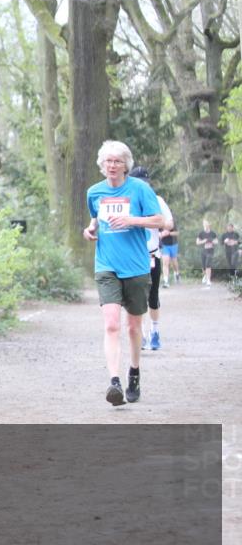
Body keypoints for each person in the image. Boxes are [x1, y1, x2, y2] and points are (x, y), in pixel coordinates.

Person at [83, 141, 164, 406]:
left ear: (126, 164)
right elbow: (95, 220)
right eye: (108, 161)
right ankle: (114, 381)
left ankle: (134, 372)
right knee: (111, 324)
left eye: (117, 161)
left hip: (137, 266)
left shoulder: (140, 189)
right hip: (106, 265)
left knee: (133, 326)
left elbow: (158, 220)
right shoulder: (94, 192)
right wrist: (90, 230)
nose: (112, 165)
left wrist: (132, 220)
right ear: (102, 164)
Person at [127, 166, 173, 351]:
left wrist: (160, 227)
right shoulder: (127, 201)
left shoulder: (157, 200)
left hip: (153, 254)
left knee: (153, 297)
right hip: (133, 256)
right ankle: (142, 335)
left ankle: (154, 331)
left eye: (145, 183)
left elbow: (168, 221)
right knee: (138, 298)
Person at [196, 220, 218, 287]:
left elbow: (216, 241)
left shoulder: (213, 233)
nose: (205, 225)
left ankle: (208, 280)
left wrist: (212, 241)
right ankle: (205, 276)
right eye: (204, 224)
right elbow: (197, 242)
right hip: (203, 250)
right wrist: (204, 241)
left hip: (210, 250)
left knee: (208, 264)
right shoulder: (201, 233)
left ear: (209, 225)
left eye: (206, 224)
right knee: (203, 266)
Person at [160, 221, 180, 287]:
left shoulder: (172, 221)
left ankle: (177, 273)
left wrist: (169, 233)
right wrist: (161, 234)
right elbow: (157, 233)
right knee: (165, 262)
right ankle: (166, 281)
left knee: (174, 262)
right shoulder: (160, 221)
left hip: (173, 244)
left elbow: (177, 233)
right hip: (164, 245)